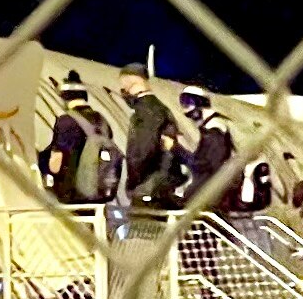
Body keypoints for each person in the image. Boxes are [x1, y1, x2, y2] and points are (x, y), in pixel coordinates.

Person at [38, 74, 112, 206]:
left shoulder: (66, 121)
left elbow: (55, 165)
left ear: (65, 98)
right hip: (100, 196)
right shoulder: (102, 121)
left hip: (72, 195)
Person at [115, 70, 179, 211]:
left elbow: (143, 150)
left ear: (133, 84)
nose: (123, 93)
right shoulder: (160, 108)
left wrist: (133, 183)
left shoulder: (146, 112)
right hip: (158, 186)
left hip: (148, 189)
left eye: (123, 88)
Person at [180, 90, 237, 217]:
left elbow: (209, 165)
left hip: (213, 196)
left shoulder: (215, 130)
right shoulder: (211, 130)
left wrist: (177, 150)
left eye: (188, 103)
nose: (185, 110)